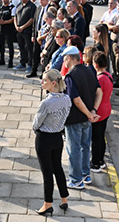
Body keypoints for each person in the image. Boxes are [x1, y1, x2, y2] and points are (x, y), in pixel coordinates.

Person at [33, 69, 72, 216]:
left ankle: (47, 204)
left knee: (47, 172)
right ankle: (64, 199)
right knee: (58, 168)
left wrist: (36, 128)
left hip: (44, 138)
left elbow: (37, 123)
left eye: (45, 80)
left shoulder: (46, 103)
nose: (42, 82)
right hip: (58, 138)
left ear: (53, 83)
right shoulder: (67, 99)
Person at [62, 47, 101, 190]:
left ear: (70, 58)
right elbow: (99, 92)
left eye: (65, 59)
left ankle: (75, 180)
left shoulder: (70, 76)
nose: (64, 62)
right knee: (85, 147)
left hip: (75, 119)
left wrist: (89, 114)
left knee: (74, 150)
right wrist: (93, 110)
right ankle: (86, 174)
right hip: (87, 119)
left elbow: (76, 100)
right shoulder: (89, 70)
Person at [90, 52, 114, 174]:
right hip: (106, 108)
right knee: (101, 136)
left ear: (95, 64)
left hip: (99, 110)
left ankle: (95, 163)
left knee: (96, 138)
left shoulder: (99, 79)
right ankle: (101, 160)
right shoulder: (108, 75)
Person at [14, 0, 37, 73]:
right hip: (19, 30)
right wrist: (16, 26)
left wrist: (23, 27)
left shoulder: (32, 6)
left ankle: (30, 64)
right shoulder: (19, 5)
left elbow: (32, 19)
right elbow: (15, 16)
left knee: (29, 48)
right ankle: (22, 63)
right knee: (21, 47)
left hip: (27, 31)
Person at [0, 0, 16, 67]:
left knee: (10, 45)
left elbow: (13, 19)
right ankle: (2, 59)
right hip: (0, 29)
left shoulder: (12, 7)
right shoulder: (0, 7)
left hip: (9, 29)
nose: (3, 0)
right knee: (1, 45)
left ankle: (10, 61)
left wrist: (4, 22)